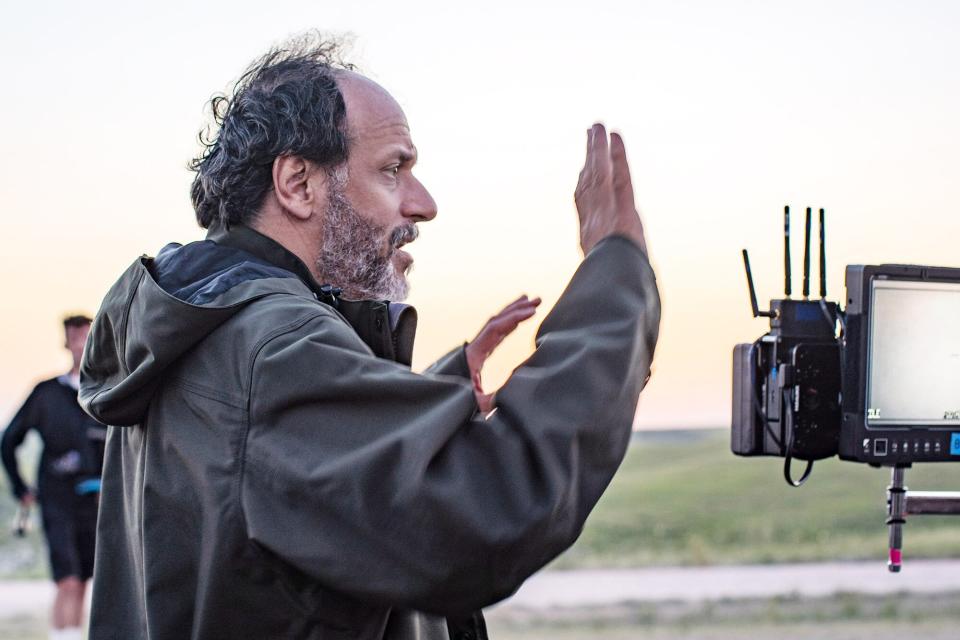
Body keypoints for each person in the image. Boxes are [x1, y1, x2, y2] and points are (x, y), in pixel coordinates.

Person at [79, 34, 660, 640]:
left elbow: (272, 506)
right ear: (298, 184)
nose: (423, 204)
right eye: (393, 169)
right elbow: (484, 513)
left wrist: (438, 394)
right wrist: (615, 279)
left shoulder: (202, 326)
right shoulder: (271, 349)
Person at [2, 315, 106, 640]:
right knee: (68, 578)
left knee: (85, 581)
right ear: (66, 342)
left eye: (86, 337)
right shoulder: (46, 394)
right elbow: (8, 441)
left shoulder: (108, 394)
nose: (80, 344)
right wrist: (21, 488)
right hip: (57, 497)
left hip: (97, 501)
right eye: (74, 338)